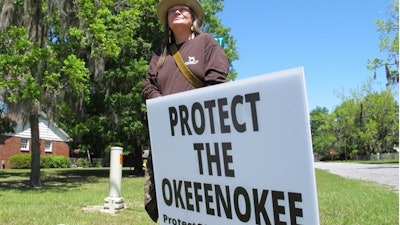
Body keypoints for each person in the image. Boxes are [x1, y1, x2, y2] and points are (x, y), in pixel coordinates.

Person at [142, 0, 230, 222]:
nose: (177, 11)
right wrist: (162, 104)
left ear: (193, 19)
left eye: (183, 9)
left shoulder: (206, 43)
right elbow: (148, 86)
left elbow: (217, 81)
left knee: (200, 198)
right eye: (172, 10)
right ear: (167, 22)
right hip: (165, 138)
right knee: (159, 200)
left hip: (200, 137)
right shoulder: (160, 53)